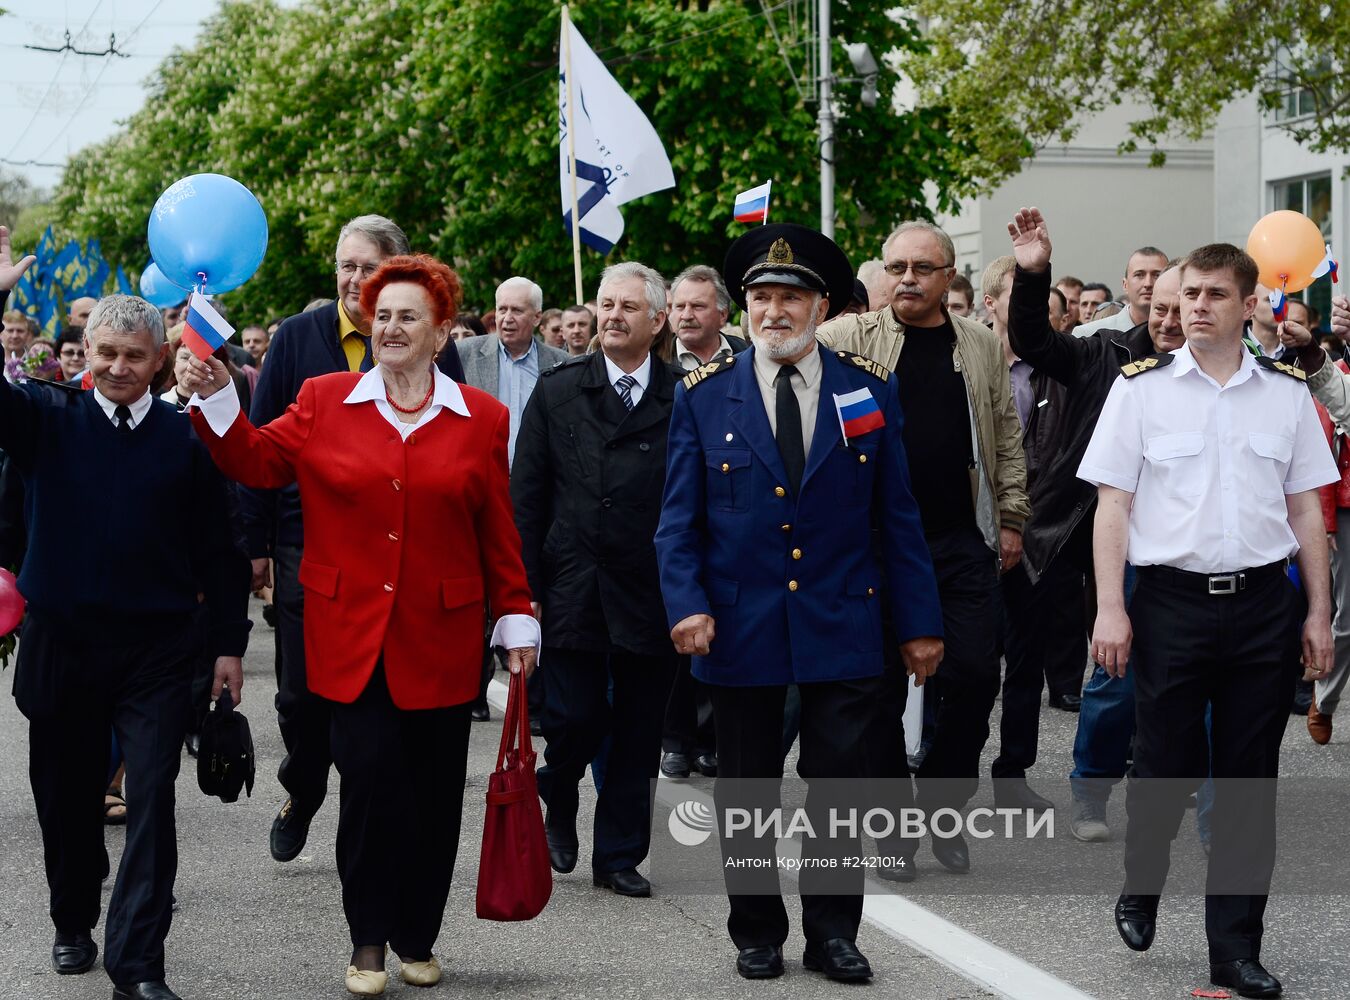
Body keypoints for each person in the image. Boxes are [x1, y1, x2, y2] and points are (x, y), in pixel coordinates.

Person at [180, 253, 538, 996]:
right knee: (371, 785)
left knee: (436, 796)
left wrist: (515, 618)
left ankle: (418, 935)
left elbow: (497, 531)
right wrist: (217, 395)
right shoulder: (323, 398)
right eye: (383, 317)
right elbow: (253, 460)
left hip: (443, 636)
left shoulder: (482, 419)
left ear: (443, 332)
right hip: (348, 635)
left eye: (410, 316)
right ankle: (368, 939)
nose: (392, 328)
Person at [656, 223, 944, 983]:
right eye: (760, 298)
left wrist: (919, 625)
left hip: (844, 619)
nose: (773, 312)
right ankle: (755, 930)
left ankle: (833, 932)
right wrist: (686, 604)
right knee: (747, 790)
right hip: (741, 624)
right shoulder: (704, 398)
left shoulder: (865, 392)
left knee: (840, 789)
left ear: (822, 306)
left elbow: (898, 519)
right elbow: (677, 522)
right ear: (740, 307)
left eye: (790, 297)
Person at [1, 228, 251, 1000]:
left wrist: (229, 647)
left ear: (157, 360)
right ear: (86, 351)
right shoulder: (45, 420)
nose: (116, 367)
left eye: (133, 356)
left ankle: (139, 965)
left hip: (157, 651)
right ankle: (73, 919)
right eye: (104, 352)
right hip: (63, 644)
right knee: (69, 804)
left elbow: (221, 550)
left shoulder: (185, 440)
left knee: (151, 798)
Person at [1080, 240, 1334, 1000]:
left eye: (1215, 295)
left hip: (1262, 604)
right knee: (1165, 764)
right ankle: (1143, 878)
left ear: (1249, 303)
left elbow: (1306, 511)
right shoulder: (1141, 390)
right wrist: (1110, 608)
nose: (1196, 306)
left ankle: (1235, 951)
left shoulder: (1286, 395)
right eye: (1189, 294)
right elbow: (1112, 506)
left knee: (1250, 782)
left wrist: (1319, 611)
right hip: (1170, 604)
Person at [244, 214, 467, 866]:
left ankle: (371, 807)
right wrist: (254, 543)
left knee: (375, 692)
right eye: (345, 265)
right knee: (301, 693)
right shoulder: (296, 340)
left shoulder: (429, 343)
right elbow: (260, 445)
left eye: (367, 267)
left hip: (399, 552)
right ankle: (304, 786)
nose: (353, 278)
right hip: (303, 541)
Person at [818, 220, 1029, 876]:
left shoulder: (980, 346)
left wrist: (1014, 519)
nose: (906, 278)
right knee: (877, 691)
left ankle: (944, 804)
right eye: (896, 267)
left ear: (948, 278)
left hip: (960, 539)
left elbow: (1005, 434)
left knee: (971, 677)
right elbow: (782, 348)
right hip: (872, 546)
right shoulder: (848, 337)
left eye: (921, 268)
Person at [1004, 209, 1185, 842]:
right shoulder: (1102, 350)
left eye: (1176, 300)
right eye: (1152, 296)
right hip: (1076, 521)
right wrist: (1033, 275)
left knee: (1170, 670)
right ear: (1136, 295)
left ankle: (1162, 777)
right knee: (1105, 665)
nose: (1166, 318)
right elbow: (1033, 342)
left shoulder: (1218, 372)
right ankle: (1082, 787)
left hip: (1167, 539)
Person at [511, 260, 681, 898]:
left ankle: (618, 856)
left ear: (657, 320)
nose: (611, 316)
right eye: (605, 304)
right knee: (576, 716)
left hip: (652, 587)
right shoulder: (558, 390)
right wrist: (522, 589)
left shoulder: (685, 392)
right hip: (572, 582)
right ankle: (557, 789)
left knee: (638, 732)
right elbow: (525, 497)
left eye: (627, 307)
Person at [455, 276, 569, 466]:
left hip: (539, 479)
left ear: (537, 317)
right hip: (479, 473)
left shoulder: (561, 363)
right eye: (502, 309)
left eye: (516, 310)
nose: (507, 318)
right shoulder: (464, 354)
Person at [1073, 249, 1167, 338]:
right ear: (1125, 284)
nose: (1148, 283)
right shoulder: (1089, 334)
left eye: (1157, 275)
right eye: (1139, 275)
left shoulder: (1178, 335)